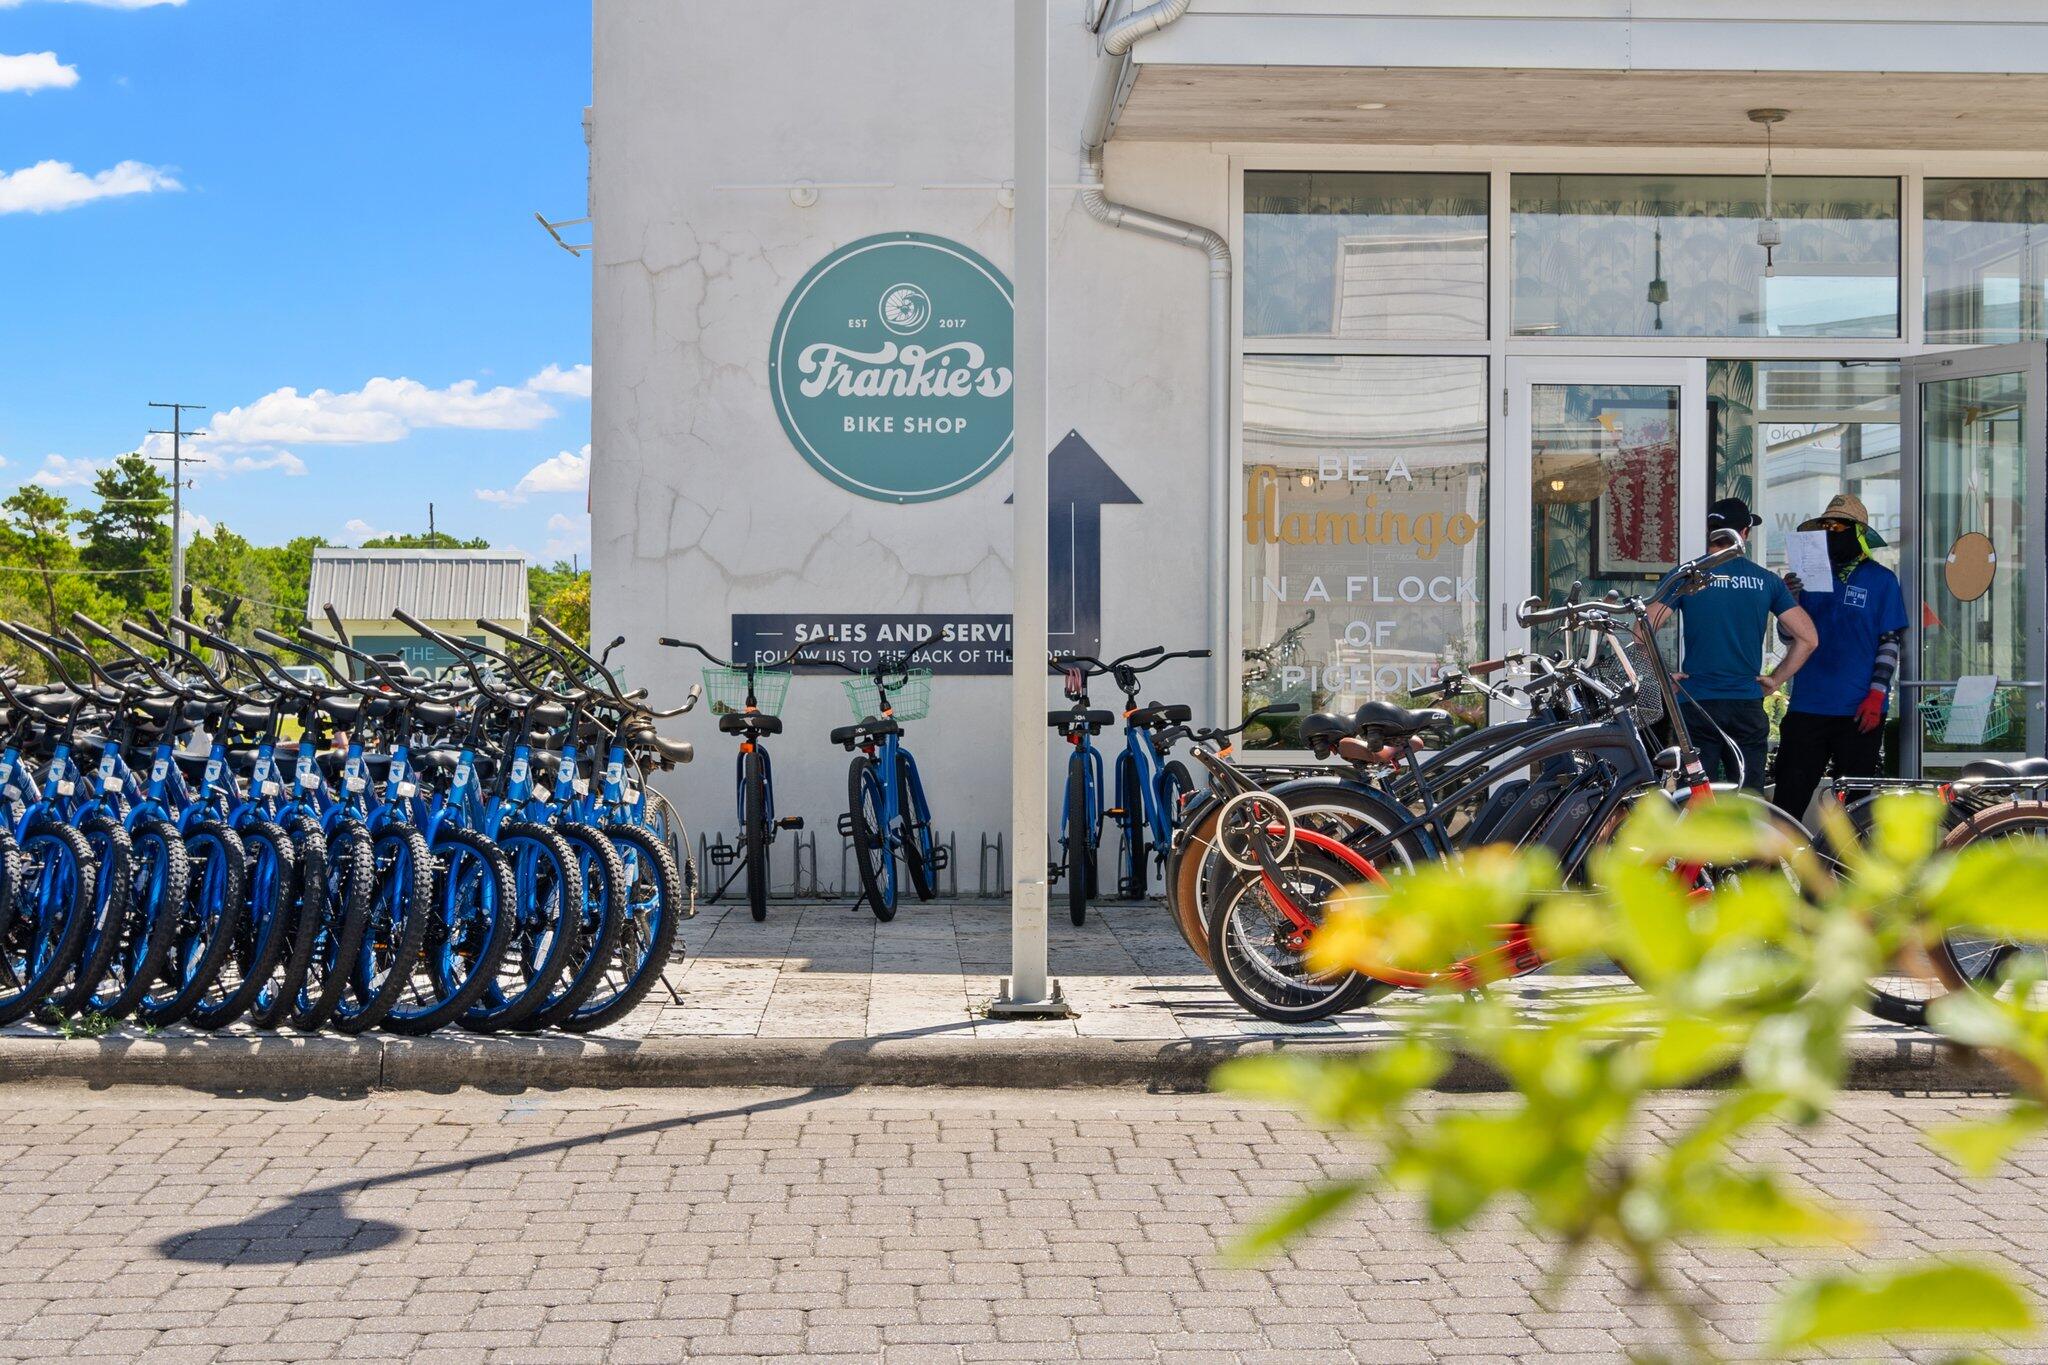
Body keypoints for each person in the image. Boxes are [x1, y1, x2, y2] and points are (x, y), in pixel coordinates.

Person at [1646, 497, 1816, 791]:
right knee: (1748, 799)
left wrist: (1662, 677)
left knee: (1696, 798)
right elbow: (1809, 638)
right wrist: (1776, 679)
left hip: (1697, 702)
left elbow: (1641, 629)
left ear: (1710, 532)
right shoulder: (1766, 581)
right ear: (1744, 533)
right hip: (1745, 703)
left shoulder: (1688, 576)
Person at [1770, 492, 1908, 822]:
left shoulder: (1881, 580)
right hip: (1807, 708)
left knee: (1855, 811)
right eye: (1827, 526)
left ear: (1858, 533)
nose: (1833, 532)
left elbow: (1890, 642)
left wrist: (1877, 693)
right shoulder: (1807, 578)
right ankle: (1770, 870)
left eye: (1841, 526)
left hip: (1859, 712)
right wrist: (1790, 600)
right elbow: (1788, 637)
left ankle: (1844, 871)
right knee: (1787, 801)